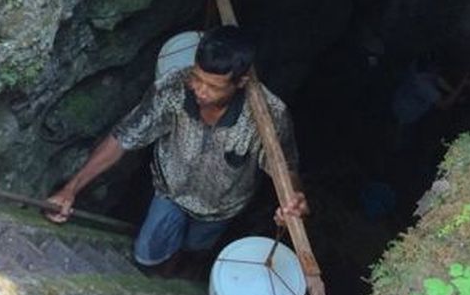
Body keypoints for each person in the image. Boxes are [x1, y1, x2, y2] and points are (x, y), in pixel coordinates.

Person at [46, 26, 309, 271]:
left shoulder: (268, 116)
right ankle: (160, 269)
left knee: (196, 248)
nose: (200, 91)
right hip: (170, 192)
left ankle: (187, 266)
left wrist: (293, 199)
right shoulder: (172, 89)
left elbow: (285, 168)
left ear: (240, 83)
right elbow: (122, 137)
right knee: (146, 252)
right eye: (197, 78)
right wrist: (71, 189)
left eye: (214, 87)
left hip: (221, 208)